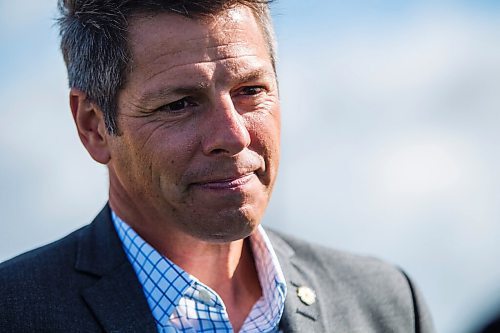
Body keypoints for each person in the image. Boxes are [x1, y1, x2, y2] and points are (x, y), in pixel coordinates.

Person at [0, 0, 435, 332]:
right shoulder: (15, 312)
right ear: (93, 126)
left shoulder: (385, 304)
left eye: (250, 90)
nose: (233, 136)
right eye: (180, 104)